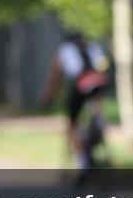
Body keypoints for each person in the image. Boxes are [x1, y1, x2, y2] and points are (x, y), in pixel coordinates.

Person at [39, 31, 110, 171]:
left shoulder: (64, 50)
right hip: (98, 84)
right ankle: (99, 123)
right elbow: (102, 67)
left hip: (80, 85)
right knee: (96, 109)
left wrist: (47, 98)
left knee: (74, 123)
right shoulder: (93, 46)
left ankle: (82, 164)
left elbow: (55, 77)